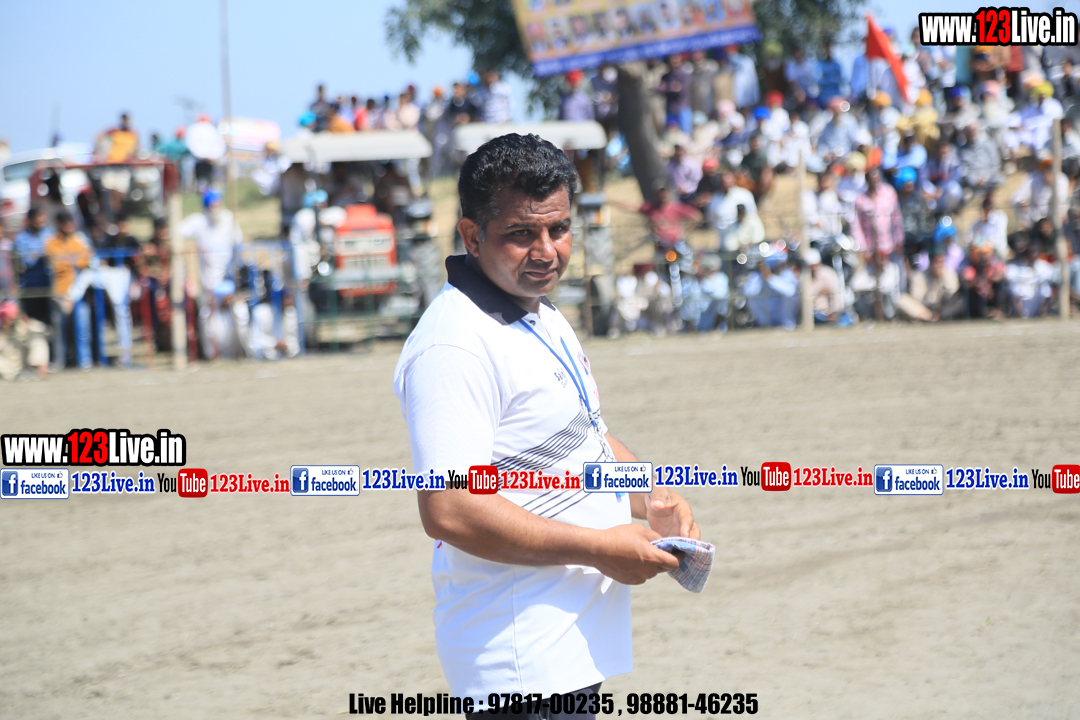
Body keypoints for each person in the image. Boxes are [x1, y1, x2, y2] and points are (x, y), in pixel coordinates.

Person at [393, 133, 699, 715]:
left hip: (568, 648)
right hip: (518, 661)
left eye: (558, 229)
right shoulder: (453, 346)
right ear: (472, 236)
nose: (546, 251)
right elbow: (450, 508)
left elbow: (583, 438)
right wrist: (599, 548)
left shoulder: (540, 312)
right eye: (520, 234)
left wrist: (652, 496)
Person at [179, 188, 246, 359]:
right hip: (209, 283)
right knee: (209, 320)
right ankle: (212, 355)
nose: (216, 208)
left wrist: (235, 283)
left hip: (229, 280)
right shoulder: (199, 222)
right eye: (212, 205)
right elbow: (178, 232)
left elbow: (239, 249)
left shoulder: (229, 219)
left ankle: (243, 351)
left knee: (239, 315)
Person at [44, 211, 92, 370]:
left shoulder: (78, 242)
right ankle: (60, 361)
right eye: (66, 223)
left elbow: (85, 261)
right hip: (59, 293)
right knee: (58, 330)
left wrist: (66, 261)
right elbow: (54, 264)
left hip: (78, 293)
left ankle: (84, 361)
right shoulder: (51, 242)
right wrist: (72, 261)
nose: (70, 226)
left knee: (82, 327)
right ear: (60, 225)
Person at [13, 207, 54, 325]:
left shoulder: (50, 233)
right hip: (31, 287)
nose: (41, 223)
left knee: (50, 320)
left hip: (49, 285)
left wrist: (40, 255)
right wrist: (42, 255)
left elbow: (55, 253)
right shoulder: (21, 238)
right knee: (34, 321)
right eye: (38, 221)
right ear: (30, 220)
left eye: (43, 220)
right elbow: (27, 261)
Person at [0, 299, 49, 380]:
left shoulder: (22, 326)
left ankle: (39, 372)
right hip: (8, 369)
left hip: (24, 364)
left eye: (10, 318)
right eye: (5, 317)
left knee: (38, 340)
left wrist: (27, 322)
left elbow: (43, 329)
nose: (8, 321)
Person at [805, 248, 843, 324]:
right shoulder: (805, 276)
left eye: (815, 265)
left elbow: (835, 294)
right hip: (811, 313)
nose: (813, 268)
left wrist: (834, 312)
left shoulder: (828, 274)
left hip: (827, 312)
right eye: (811, 266)